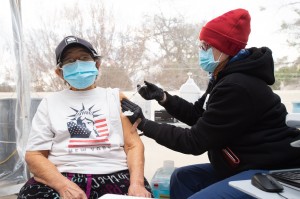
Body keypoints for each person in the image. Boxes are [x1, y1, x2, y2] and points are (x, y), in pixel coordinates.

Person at [121, 8, 300, 199]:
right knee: (182, 178)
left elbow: (194, 141)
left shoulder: (238, 86)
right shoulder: (223, 77)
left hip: (268, 169)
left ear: (226, 48)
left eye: (206, 46)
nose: (201, 50)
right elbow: (197, 115)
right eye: (201, 45)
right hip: (242, 163)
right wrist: (163, 97)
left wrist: (145, 124)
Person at [18, 36, 153, 199]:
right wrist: (63, 186)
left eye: (84, 58)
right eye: (69, 61)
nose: (78, 64)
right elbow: (35, 155)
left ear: (96, 64)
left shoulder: (115, 97)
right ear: (60, 72)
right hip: (63, 175)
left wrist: (136, 184)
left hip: (115, 173)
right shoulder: (49, 103)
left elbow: (133, 146)